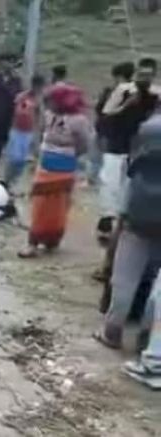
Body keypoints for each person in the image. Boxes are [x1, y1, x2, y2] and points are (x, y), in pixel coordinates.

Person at [96, 105, 161, 359]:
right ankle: (146, 338)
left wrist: (120, 221)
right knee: (156, 287)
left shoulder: (144, 140)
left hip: (137, 219)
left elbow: (128, 186)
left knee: (124, 278)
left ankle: (112, 331)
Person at [18, 84, 93, 258]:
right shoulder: (49, 114)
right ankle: (33, 242)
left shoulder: (79, 120)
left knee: (59, 207)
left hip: (64, 169)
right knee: (40, 205)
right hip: (45, 166)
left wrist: (68, 153)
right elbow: (41, 133)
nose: (49, 103)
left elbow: (84, 144)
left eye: (51, 100)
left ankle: (52, 240)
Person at [97, 58, 159, 241]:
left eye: (149, 75)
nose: (144, 78)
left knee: (131, 187)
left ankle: (126, 224)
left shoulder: (156, 95)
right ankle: (106, 222)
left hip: (140, 149)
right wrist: (126, 105)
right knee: (111, 184)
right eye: (142, 74)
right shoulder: (123, 90)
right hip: (117, 145)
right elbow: (106, 112)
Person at [4, 74, 46, 189]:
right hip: (16, 130)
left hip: (28, 132)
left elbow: (39, 116)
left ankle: (14, 182)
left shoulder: (39, 100)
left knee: (22, 160)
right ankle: (7, 180)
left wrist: (38, 132)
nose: (39, 89)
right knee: (14, 157)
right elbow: (18, 111)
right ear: (34, 85)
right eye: (38, 86)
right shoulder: (22, 96)